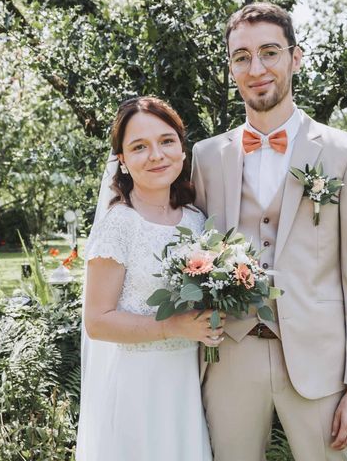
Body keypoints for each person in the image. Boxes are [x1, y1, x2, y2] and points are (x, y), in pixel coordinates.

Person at [191, 2, 347, 460]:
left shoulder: (346, 154)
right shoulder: (205, 157)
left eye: (269, 52)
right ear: (231, 67)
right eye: (241, 57)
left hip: (319, 362)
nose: (255, 68)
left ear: (295, 58)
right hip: (230, 360)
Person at [75, 96, 222, 461]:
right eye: (139, 147)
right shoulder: (120, 224)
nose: (156, 155)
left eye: (166, 141)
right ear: (122, 161)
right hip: (136, 387)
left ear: (182, 149)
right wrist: (173, 327)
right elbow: (97, 321)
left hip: (186, 382)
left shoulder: (196, 220)